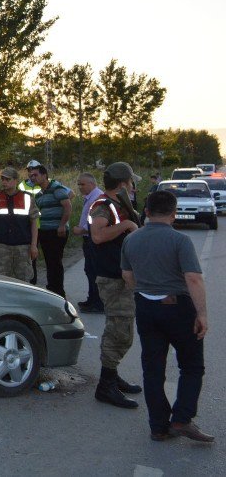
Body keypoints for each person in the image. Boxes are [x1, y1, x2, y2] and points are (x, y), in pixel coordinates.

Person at [122, 190, 213, 443]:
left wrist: (145, 293)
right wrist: (202, 314)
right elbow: (193, 278)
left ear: (147, 212)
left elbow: (128, 277)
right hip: (178, 308)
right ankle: (182, 419)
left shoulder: (132, 239)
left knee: (152, 370)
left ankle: (158, 427)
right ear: (174, 213)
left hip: (146, 308)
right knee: (192, 365)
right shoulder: (180, 240)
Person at [89, 161, 143, 409]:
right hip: (112, 279)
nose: (133, 186)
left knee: (122, 330)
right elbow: (98, 235)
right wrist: (127, 225)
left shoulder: (119, 203)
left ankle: (112, 375)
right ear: (123, 183)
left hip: (121, 277)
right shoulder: (103, 206)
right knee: (118, 331)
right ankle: (106, 386)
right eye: (131, 182)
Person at [0, 167, 39, 281]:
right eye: (2, 179)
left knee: (23, 279)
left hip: (22, 246)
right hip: (1, 246)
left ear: (15, 180)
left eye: (7, 179)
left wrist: (34, 245)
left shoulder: (27, 197)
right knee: (0, 280)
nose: (4, 182)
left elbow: (34, 222)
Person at [27, 164, 73, 297]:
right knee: (48, 260)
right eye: (31, 176)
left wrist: (62, 225)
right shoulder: (40, 193)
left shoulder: (56, 188)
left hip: (56, 231)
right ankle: (50, 288)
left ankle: (58, 292)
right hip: (44, 231)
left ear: (44, 175)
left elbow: (68, 206)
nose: (32, 178)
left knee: (54, 262)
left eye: (35, 175)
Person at [73, 173, 105, 313]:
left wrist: (82, 230)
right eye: (79, 184)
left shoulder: (97, 198)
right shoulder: (91, 197)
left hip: (92, 238)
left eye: (82, 184)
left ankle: (97, 303)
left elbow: (96, 221)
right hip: (89, 238)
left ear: (92, 184)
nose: (80, 187)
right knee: (90, 270)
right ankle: (92, 299)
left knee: (94, 271)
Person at [20, 160, 44, 284]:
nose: (31, 173)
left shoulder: (44, 184)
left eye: (34, 170)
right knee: (30, 255)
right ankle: (31, 281)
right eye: (29, 170)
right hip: (27, 225)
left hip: (43, 225)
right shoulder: (22, 186)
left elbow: (69, 195)